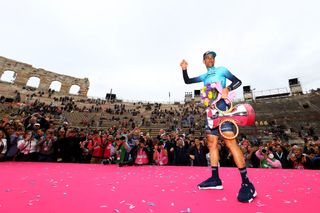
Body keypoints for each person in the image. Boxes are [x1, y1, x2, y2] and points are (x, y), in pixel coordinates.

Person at [180, 51, 257, 203]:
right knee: (211, 144)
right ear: (204, 61)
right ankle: (215, 179)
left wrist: (227, 88)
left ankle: (247, 183)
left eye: (212, 57)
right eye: (207, 58)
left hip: (222, 107)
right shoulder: (204, 76)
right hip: (210, 111)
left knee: (230, 142)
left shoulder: (222, 70)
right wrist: (184, 69)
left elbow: (237, 81)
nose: (210, 59)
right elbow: (188, 81)